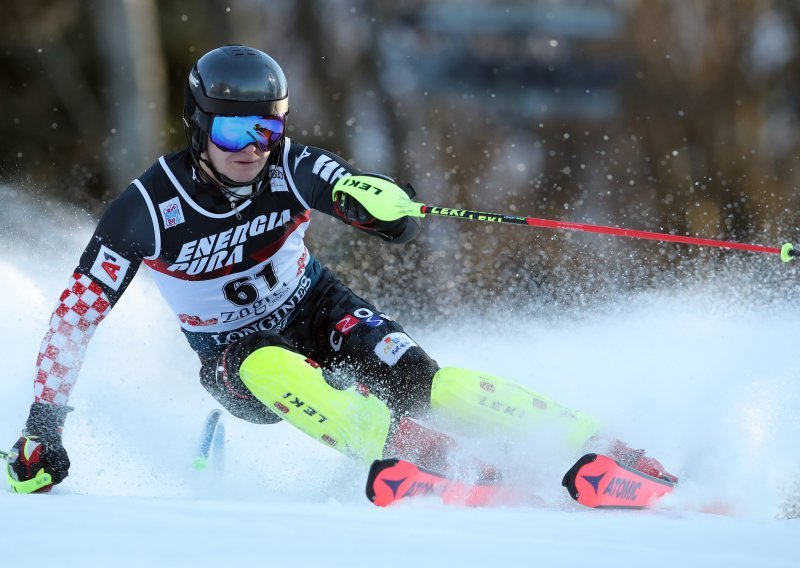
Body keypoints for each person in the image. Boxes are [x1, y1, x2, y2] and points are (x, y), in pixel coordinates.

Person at [5, 45, 675, 494]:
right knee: (264, 363)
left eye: (267, 130)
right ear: (198, 126)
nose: (253, 150)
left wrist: (373, 203)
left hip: (317, 308)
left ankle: (600, 447)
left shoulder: (290, 165)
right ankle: (409, 454)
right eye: (235, 134)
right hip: (236, 360)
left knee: (426, 382)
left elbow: (361, 197)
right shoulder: (145, 209)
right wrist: (42, 427)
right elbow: (75, 318)